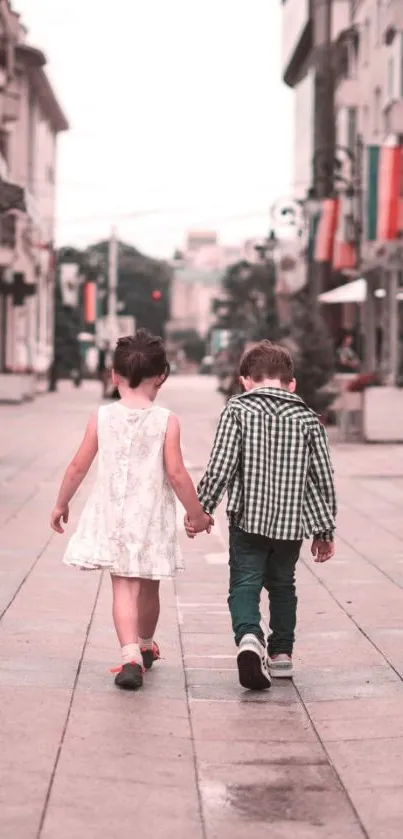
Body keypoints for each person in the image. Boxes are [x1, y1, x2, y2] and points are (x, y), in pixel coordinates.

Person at [50, 329, 212, 691]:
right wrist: (197, 515)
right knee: (150, 585)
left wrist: (62, 503)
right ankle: (144, 644)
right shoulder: (167, 420)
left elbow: (78, 465)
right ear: (163, 375)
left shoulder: (102, 417)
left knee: (122, 587)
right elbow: (176, 473)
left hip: (113, 519)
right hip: (151, 517)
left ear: (114, 376)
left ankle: (129, 658)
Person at [185, 340, 337, 691]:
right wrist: (324, 530)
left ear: (245, 380)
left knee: (244, 583)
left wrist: (201, 509)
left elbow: (221, 465)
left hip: (247, 520)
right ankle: (281, 655)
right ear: (291, 383)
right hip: (290, 525)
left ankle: (250, 638)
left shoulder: (237, 411)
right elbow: (321, 479)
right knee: (283, 586)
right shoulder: (307, 419)